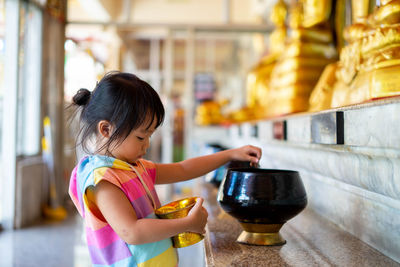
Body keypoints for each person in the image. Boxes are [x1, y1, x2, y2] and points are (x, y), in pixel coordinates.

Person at [68, 71, 262, 267]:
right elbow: (132, 232)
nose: (147, 145)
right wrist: (187, 224)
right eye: (141, 137)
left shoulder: (132, 167)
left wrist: (230, 154)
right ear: (106, 129)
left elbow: (183, 169)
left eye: (150, 136)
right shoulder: (103, 179)